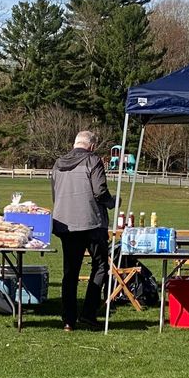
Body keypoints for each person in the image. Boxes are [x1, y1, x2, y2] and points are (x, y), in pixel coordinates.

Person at [52, 131, 116, 332]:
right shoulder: (93, 161)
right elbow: (99, 191)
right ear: (92, 146)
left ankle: (68, 320)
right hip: (91, 223)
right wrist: (113, 202)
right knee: (99, 266)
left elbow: (55, 193)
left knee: (70, 273)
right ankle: (88, 313)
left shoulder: (58, 163)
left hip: (65, 223)